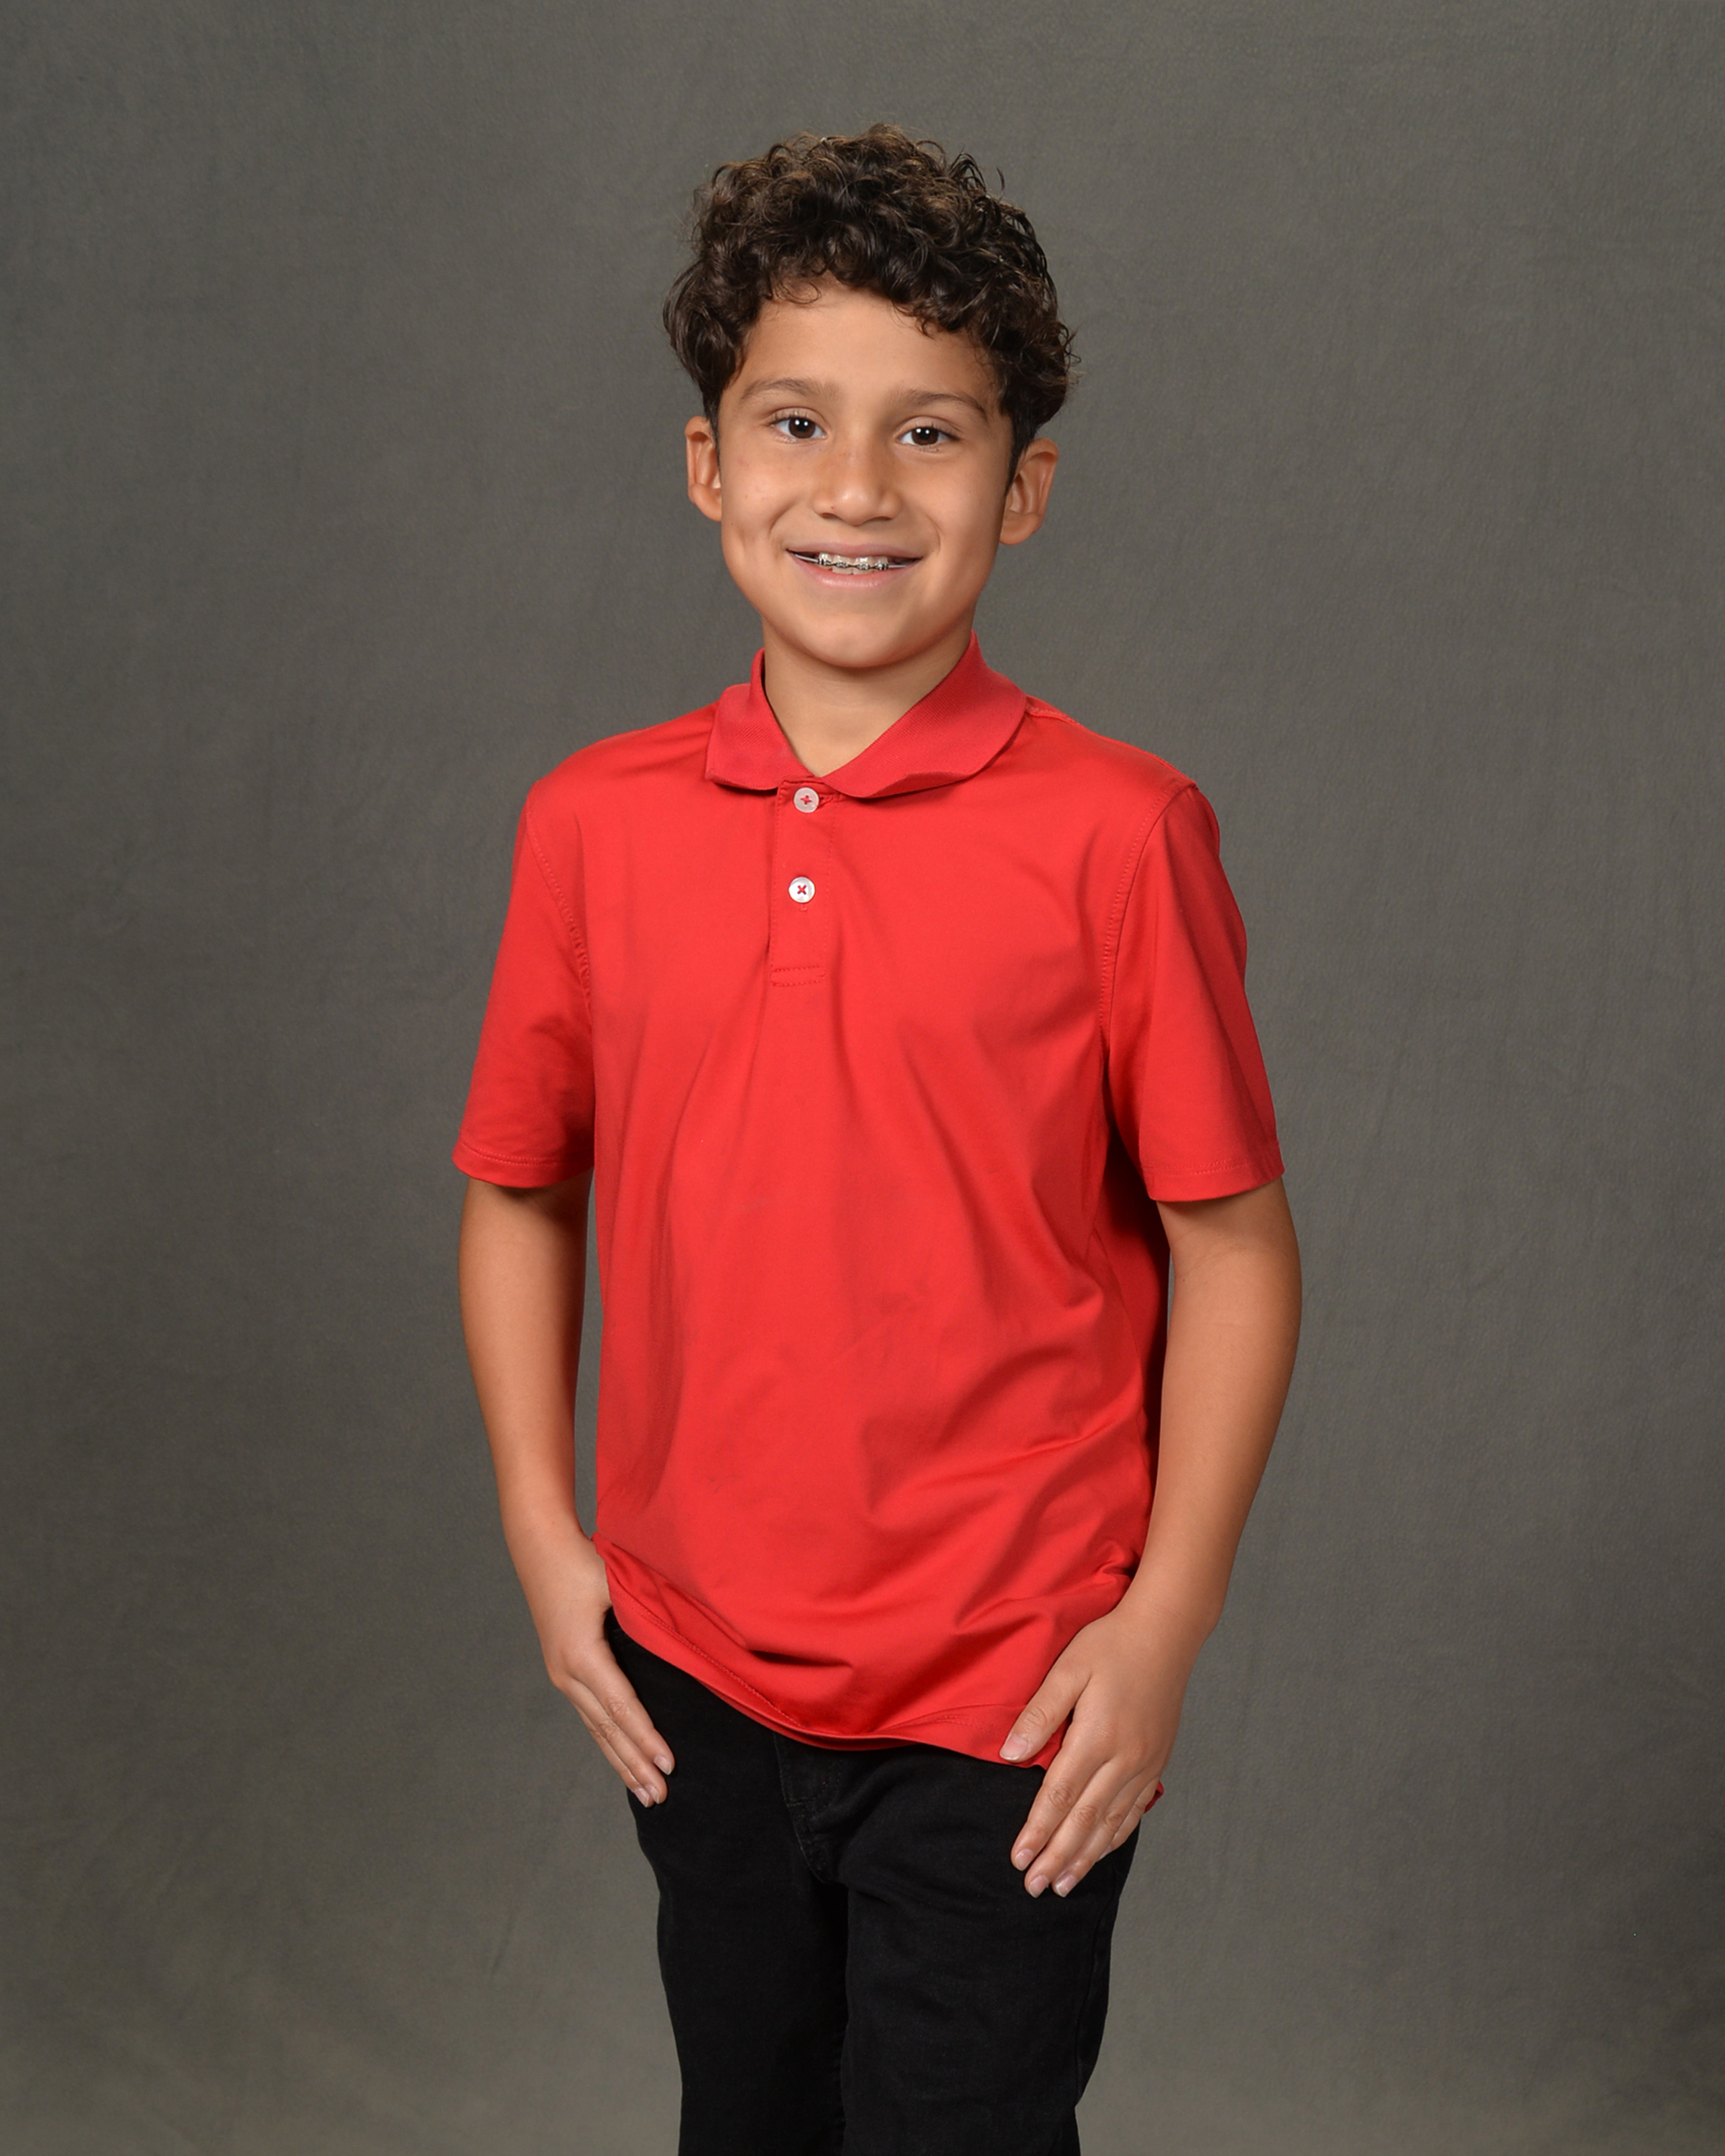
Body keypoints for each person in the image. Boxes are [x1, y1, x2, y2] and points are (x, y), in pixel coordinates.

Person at [454, 125, 1301, 2156]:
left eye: (930, 433)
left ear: (1022, 488)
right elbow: (517, 1188)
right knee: (748, 2118)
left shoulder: (1122, 835)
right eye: (797, 423)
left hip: (1014, 1697)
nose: (855, 488)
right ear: (707, 464)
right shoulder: (591, 824)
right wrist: (547, 1543)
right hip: (694, 1678)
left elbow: (1236, 1250)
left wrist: (1164, 1626)